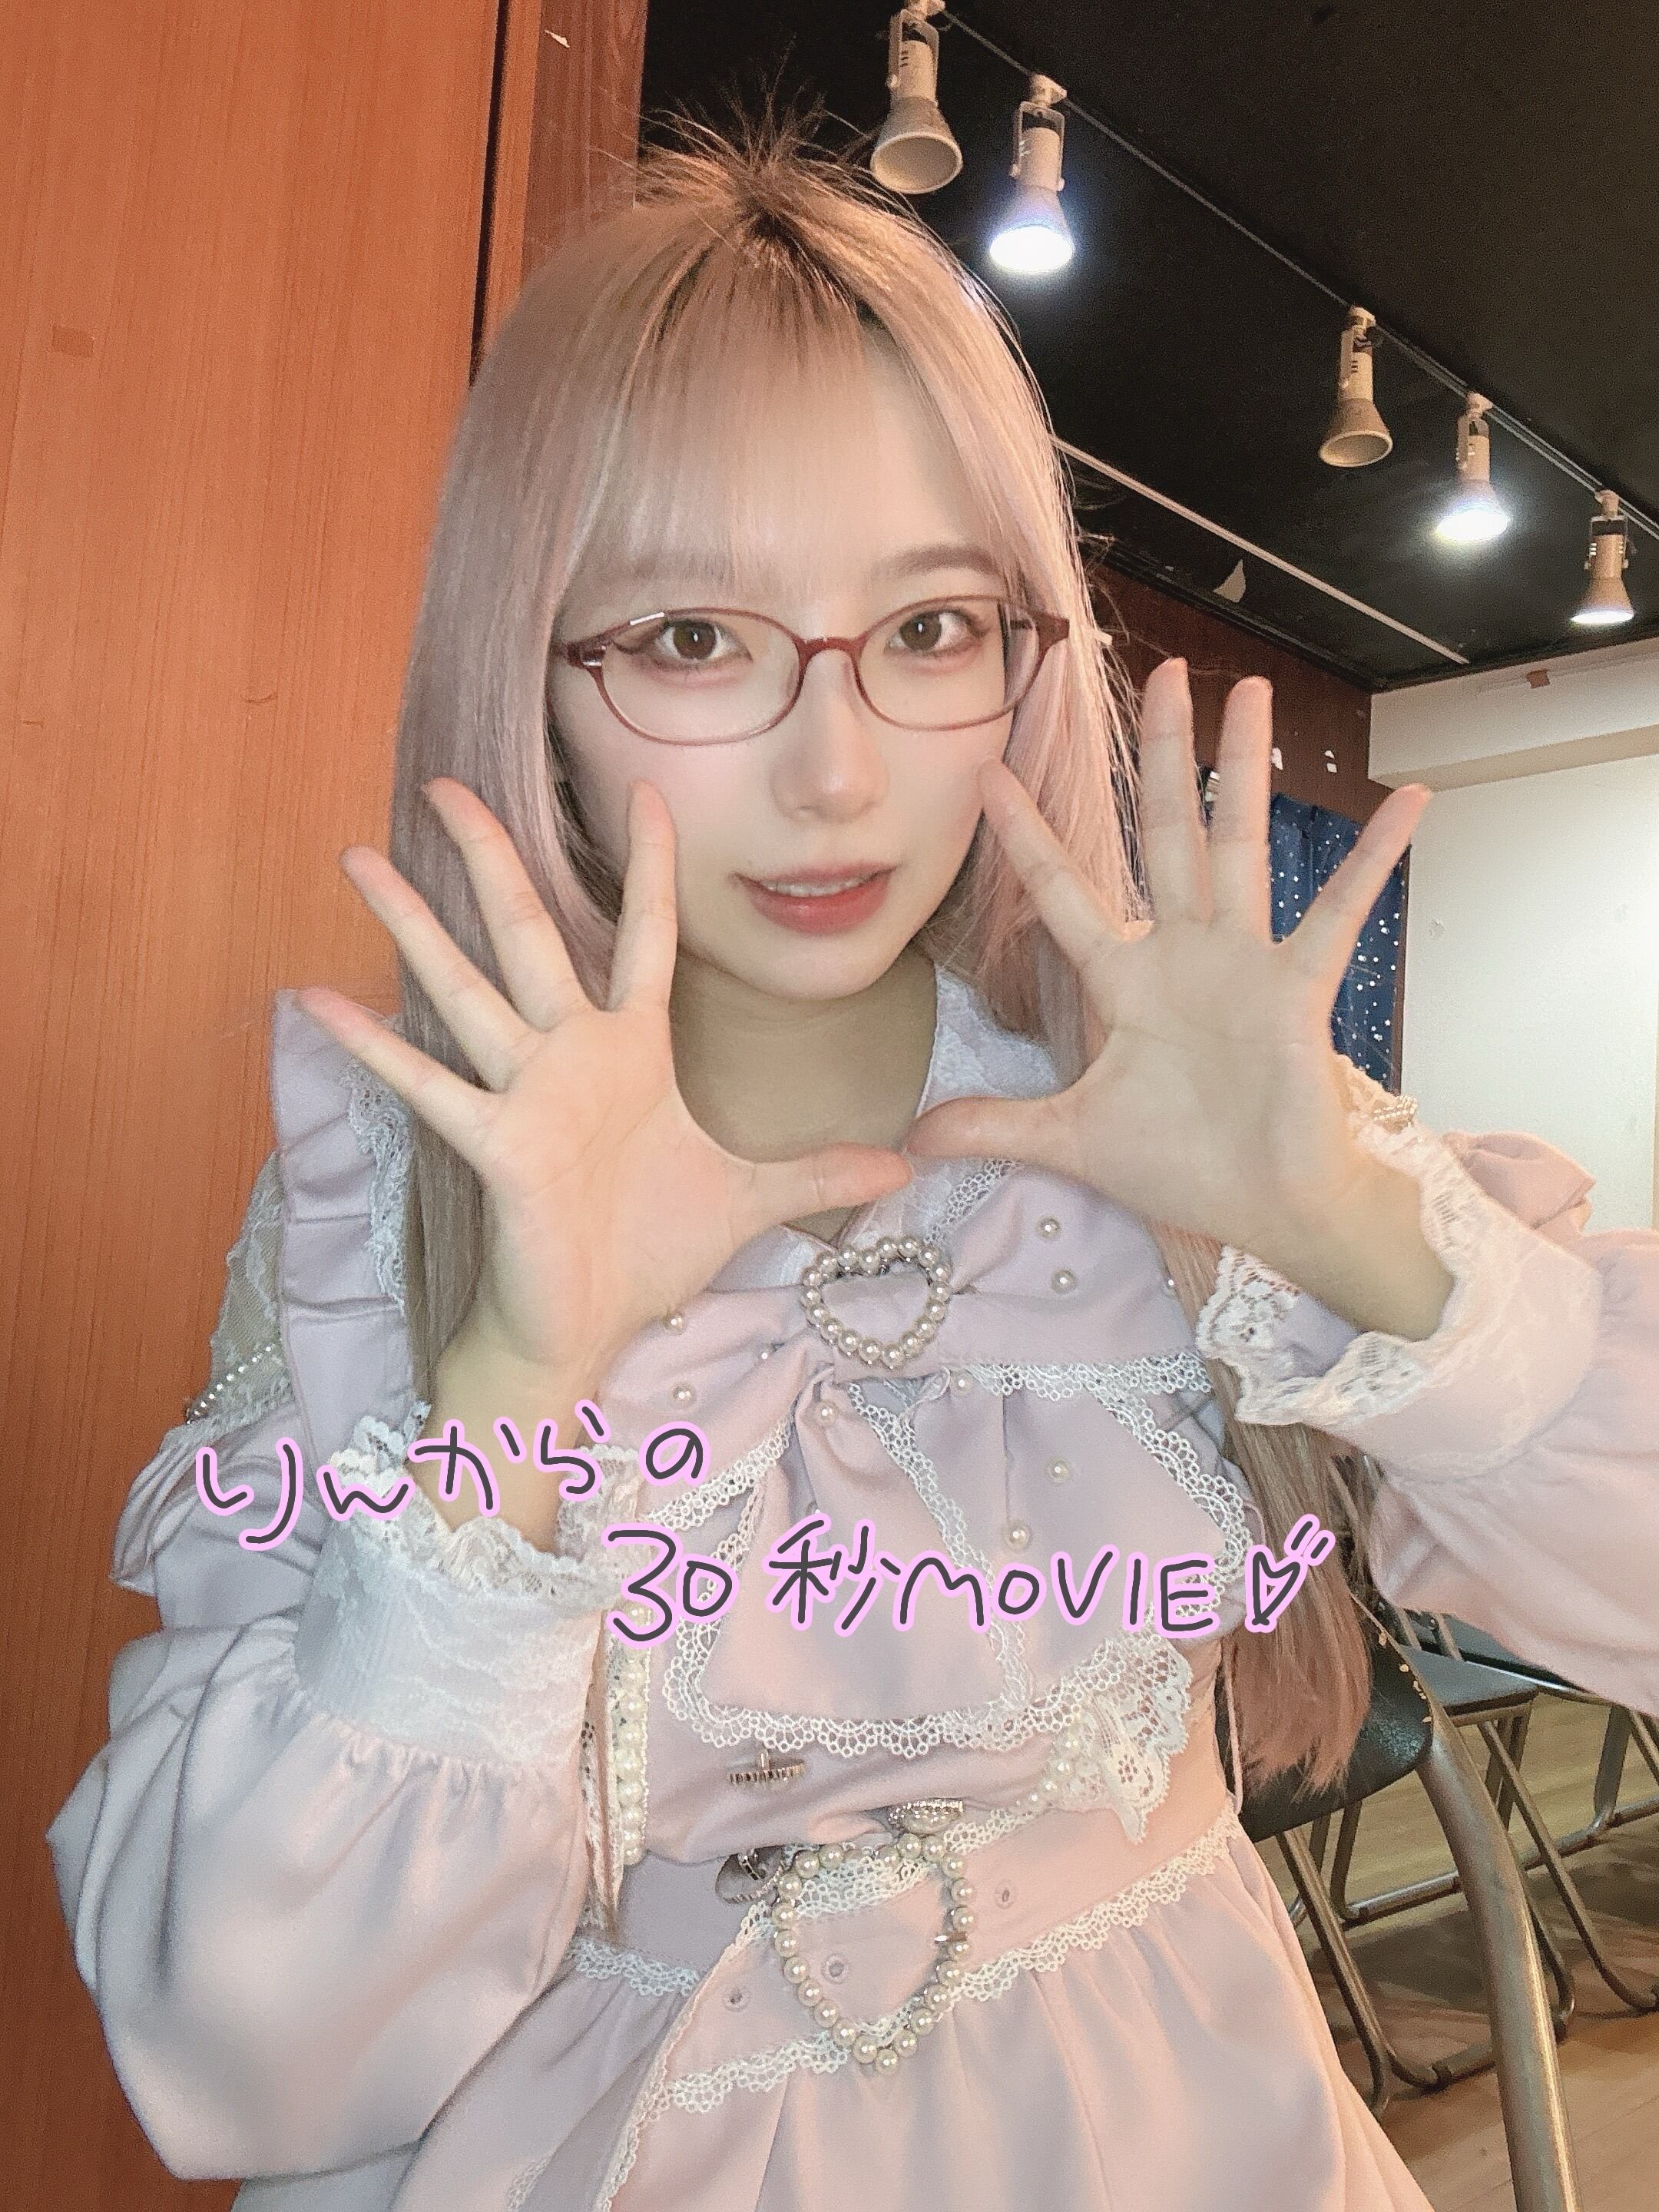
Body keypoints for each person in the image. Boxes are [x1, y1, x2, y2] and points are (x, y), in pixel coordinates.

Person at [46, 118, 1659, 2212]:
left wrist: (1340, 1219)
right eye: (691, 641)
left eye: (927, 630)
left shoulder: (1161, 1117)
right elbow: (246, 2062)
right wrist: (524, 1384)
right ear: (533, 673)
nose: (834, 772)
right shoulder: (401, 1200)